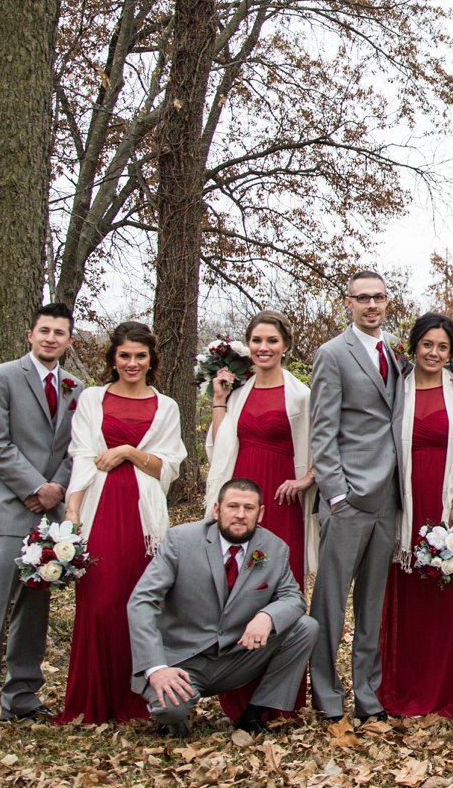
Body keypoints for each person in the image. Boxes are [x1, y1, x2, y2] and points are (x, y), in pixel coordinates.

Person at [0, 302, 82, 737]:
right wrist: (34, 487)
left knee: (35, 606)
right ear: (31, 334)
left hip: (49, 517)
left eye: (59, 333)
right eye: (44, 330)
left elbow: (73, 449)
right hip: (8, 510)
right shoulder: (2, 377)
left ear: (68, 340)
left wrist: (58, 488)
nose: (50, 338)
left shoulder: (73, 387)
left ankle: (22, 695)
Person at [55, 321, 187, 725]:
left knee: (140, 602)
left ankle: (138, 699)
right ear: (113, 358)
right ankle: (93, 700)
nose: (132, 363)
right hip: (99, 509)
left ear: (151, 360)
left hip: (143, 516)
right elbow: (81, 457)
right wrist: (73, 513)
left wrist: (128, 451)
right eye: (125, 355)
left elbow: (169, 466)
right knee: (100, 603)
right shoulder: (93, 399)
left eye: (140, 356)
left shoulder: (165, 406)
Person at [128, 479, 318, 736]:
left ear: (260, 513)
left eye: (249, 508)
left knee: (305, 627)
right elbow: (142, 601)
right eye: (233, 506)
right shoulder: (181, 541)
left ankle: (253, 714)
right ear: (217, 510)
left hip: (236, 658)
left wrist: (267, 616)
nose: (240, 515)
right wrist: (156, 668)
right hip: (183, 660)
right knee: (170, 710)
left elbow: (293, 598)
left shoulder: (274, 548)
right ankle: (175, 719)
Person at [378, 312, 453, 720]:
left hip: (452, 498)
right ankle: (407, 687)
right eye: (427, 344)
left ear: (452, 352)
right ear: (414, 346)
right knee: (414, 595)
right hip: (408, 500)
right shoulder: (397, 387)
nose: (434, 352)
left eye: (443, 347)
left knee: (452, 598)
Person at [202, 311, 313, 720]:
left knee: (278, 590)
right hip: (241, 502)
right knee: (236, 590)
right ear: (248, 346)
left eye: (271, 340)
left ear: (285, 345)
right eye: (256, 341)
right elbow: (220, 445)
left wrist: (305, 481)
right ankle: (236, 693)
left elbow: (320, 450)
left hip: (281, 502)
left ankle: (276, 698)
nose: (263, 348)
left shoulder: (301, 396)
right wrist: (218, 399)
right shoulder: (240, 392)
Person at [308, 269, 405, 723]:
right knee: (330, 601)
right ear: (347, 303)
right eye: (362, 298)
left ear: (388, 302)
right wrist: (336, 496)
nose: (372, 305)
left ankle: (368, 695)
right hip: (348, 498)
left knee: (373, 602)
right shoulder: (332, 354)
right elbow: (322, 431)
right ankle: (326, 695)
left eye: (379, 297)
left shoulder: (395, 352)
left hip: (389, 497)